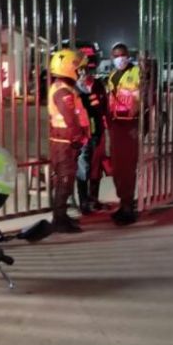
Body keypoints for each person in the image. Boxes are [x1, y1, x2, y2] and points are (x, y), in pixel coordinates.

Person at [46, 48, 91, 233]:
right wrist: (78, 138)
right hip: (64, 143)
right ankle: (59, 220)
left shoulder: (64, 88)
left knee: (65, 180)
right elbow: (70, 118)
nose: (81, 72)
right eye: (78, 68)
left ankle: (62, 216)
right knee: (64, 181)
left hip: (64, 142)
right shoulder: (62, 91)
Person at [106, 42, 142, 226]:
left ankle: (129, 206)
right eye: (115, 55)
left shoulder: (136, 72)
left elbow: (145, 93)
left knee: (127, 167)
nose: (119, 58)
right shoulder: (112, 76)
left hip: (130, 126)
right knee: (118, 168)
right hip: (116, 126)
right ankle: (123, 202)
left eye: (122, 54)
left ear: (128, 55)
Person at [75, 48, 109, 215]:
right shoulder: (73, 88)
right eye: (79, 69)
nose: (83, 72)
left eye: (85, 68)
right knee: (82, 168)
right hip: (81, 135)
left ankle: (93, 199)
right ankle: (83, 202)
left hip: (97, 132)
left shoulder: (97, 85)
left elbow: (103, 107)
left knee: (96, 167)